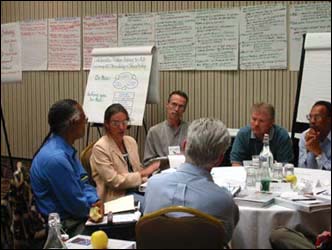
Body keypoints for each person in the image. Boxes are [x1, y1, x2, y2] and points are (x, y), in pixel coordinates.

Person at [144, 118, 239, 243]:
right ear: (219, 159)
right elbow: (224, 239)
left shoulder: (153, 185)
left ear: (184, 146)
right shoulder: (223, 200)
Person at [30, 99, 102, 237]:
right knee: (118, 232)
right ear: (73, 122)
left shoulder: (65, 149)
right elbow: (76, 206)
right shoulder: (56, 158)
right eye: (84, 119)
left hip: (74, 214)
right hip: (64, 225)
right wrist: (93, 209)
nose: (85, 122)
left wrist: (95, 201)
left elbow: (84, 182)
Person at [90, 103, 160, 205]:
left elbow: (137, 169)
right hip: (116, 197)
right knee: (152, 205)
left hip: (137, 189)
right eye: (116, 123)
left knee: (163, 197)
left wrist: (151, 178)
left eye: (124, 122)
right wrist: (143, 173)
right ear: (107, 124)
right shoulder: (100, 147)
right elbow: (115, 181)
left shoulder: (130, 141)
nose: (122, 127)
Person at [143, 90, 189, 165]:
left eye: (181, 106)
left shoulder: (191, 130)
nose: (176, 109)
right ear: (167, 105)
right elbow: (147, 162)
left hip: (185, 172)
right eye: (174, 104)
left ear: (184, 110)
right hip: (162, 173)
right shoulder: (154, 132)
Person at [298, 101, 331, 170]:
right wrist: (309, 150)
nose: (312, 121)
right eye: (310, 117)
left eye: (317, 117)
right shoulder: (305, 136)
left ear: (329, 120)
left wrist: (319, 153)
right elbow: (302, 169)